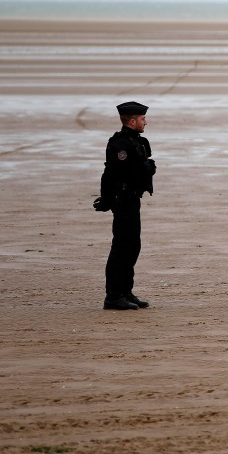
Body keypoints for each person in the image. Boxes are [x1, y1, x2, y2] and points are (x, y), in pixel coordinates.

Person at [93, 101, 157, 310]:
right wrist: (106, 199)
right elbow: (111, 172)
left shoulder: (135, 141)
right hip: (123, 200)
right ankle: (113, 296)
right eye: (142, 119)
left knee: (132, 246)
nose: (145, 122)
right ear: (132, 121)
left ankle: (125, 291)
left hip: (131, 199)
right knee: (121, 247)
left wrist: (148, 168)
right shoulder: (121, 143)